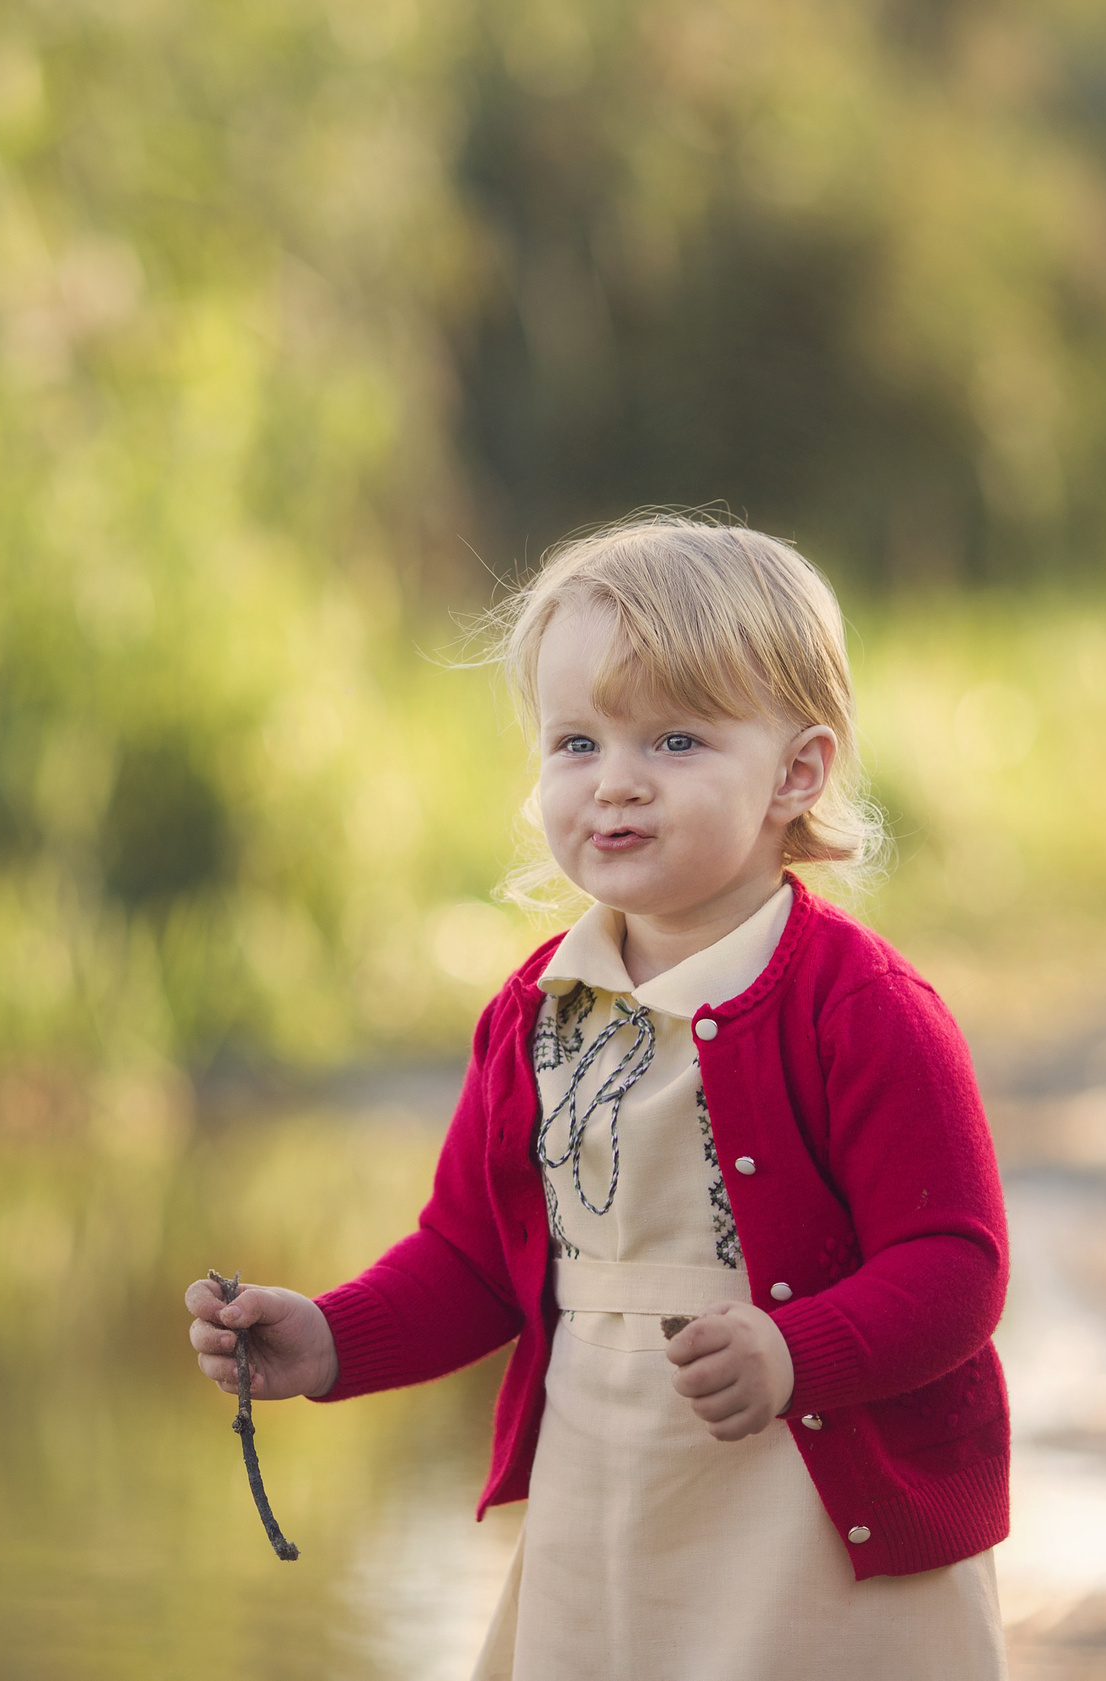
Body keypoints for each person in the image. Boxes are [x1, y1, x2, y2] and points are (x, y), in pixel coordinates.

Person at [184, 514, 1009, 1679]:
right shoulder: (539, 1009)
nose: (615, 784)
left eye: (675, 741)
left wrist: (792, 1351)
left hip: (811, 1511)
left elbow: (954, 1266)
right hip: (613, 1503)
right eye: (576, 742)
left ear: (798, 772)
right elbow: (470, 1260)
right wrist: (329, 1341)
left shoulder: (857, 1005)